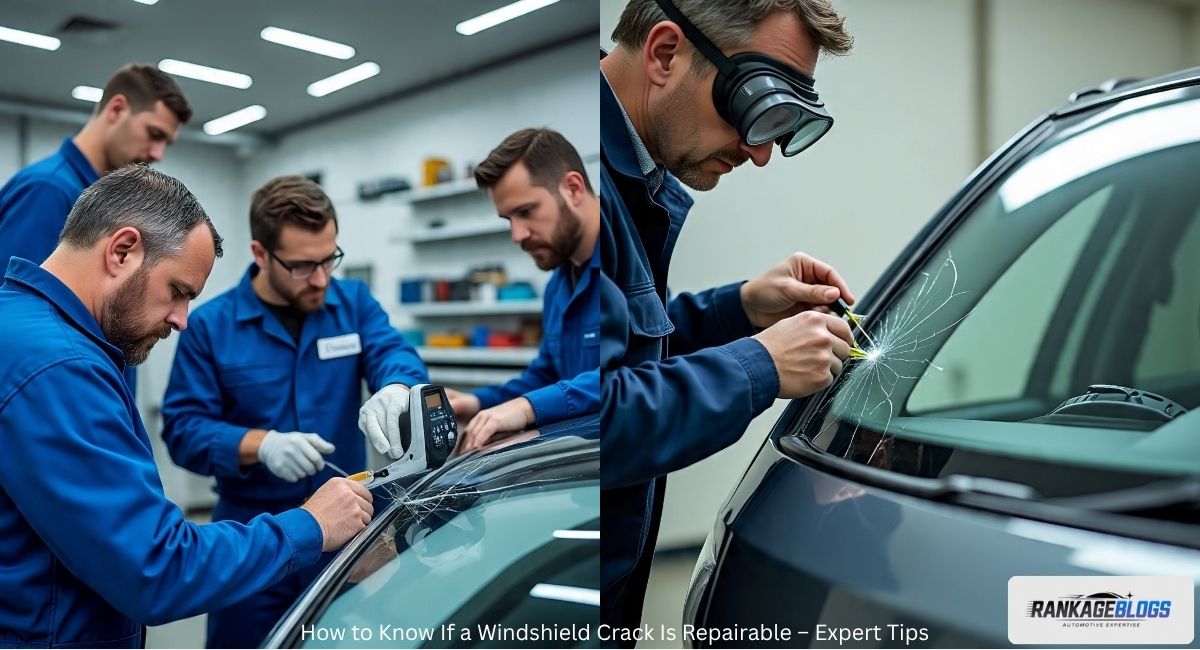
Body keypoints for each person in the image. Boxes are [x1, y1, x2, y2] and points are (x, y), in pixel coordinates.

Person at [0, 165, 372, 649]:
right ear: (122, 251)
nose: (181, 320)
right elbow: (156, 567)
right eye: (178, 291)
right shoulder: (60, 367)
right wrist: (311, 524)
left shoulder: (20, 325)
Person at [598, 0, 856, 638]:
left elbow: (622, 346)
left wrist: (738, 308)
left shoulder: (631, 183)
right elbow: (592, 419)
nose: (759, 151)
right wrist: (762, 364)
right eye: (752, 102)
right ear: (665, 53)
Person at [161, 174, 428, 648]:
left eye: (330, 259)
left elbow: (395, 355)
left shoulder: (354, 304)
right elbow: (183, 430)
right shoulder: (210, 327)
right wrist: (260, 446)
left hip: (349, 528)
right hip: (253, 539)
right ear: (261, 254)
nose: (322, 278)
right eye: (305, 266)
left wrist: (398, 388)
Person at [0, 62, 191, 396]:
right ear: (117, 109)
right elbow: (17, 322)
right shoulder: (48, 191)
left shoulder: (103, 203)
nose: (157, 154)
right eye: (154, 134)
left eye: (166, 143)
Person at [439, 128, 600, 452]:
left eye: (526, 212)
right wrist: (475, 402)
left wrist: (526, 408)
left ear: (573, 188)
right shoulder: (558, 286)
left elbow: (632, 370)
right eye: (507, 219)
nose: (517, 234)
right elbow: (546, 375)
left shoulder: (633, 263)